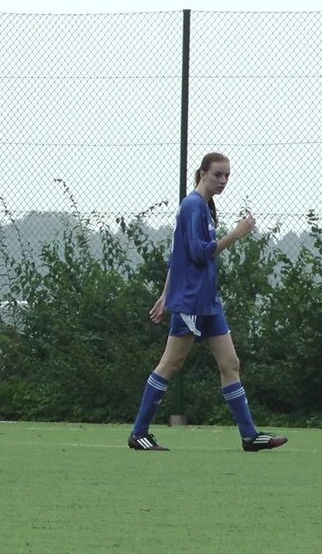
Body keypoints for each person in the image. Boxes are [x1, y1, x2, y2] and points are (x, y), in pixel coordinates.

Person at [128, 152, 288, 452]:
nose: (223, 180)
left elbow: (178, 256)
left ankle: (249, 436)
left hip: (207, 302)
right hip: (190, 302)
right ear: (202, 174)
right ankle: (139, 432)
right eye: (218, 175)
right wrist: (236, 234)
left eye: (227, 175)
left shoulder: (204, 207)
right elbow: (201, 253)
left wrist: (164, 295)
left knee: (230, 363)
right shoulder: (192, 206)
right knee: (171, 363)